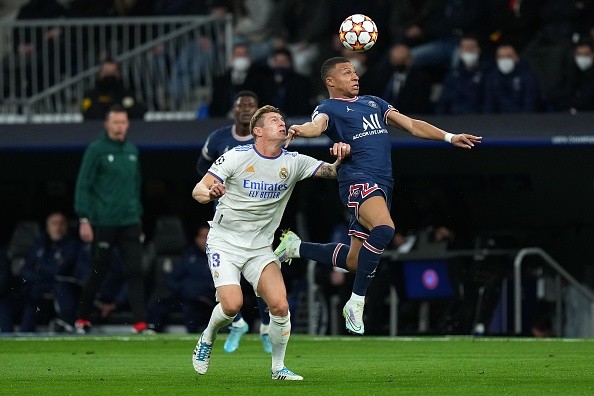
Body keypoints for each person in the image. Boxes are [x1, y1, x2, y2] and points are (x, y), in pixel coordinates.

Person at [274, 56, 481, 335]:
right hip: (357, 179)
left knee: (354, 261)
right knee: (385, 229)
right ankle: (356, 302)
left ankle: (295, 247)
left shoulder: (374, 102)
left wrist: (449, 137)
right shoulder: (328, 108)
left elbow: (411, 125)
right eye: (347, 73)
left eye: (355, 72)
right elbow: (317, 126)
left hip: (383, 183)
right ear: (330, 82)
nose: (355, 76)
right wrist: (299, 130)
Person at [191, 105, 350, 380]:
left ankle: (278, 368)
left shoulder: (294, 161)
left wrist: (341, 156)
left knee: (280, 305)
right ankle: (206, 339)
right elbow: (198, 190)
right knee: (231, 306)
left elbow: (331, 172)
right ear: (258, 130)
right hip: (225, 243)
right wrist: (210, 192)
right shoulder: (236, 157)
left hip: (260, 248)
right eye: (274, 120)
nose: (281, 123)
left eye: (282, 119)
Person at [197, 90, 273, 353]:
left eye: (251, 105)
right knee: (226, 283)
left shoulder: (267, 139)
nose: (245, 109)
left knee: (262, 281)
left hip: (259, 224)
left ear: (259, 112)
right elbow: (202, 170)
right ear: (234, 110)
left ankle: (265, 326)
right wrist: (215, 185)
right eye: (241, 105)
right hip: (227, 224)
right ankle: (237, 323)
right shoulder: (219, 139)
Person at [74, 104, 149, 334]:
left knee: (136, 270)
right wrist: (84, 218)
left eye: (123, 122)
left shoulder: (132, 151)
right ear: (107, 124)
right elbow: (83, 184)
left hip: (130, 221)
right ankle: (82, 319)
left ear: (128, 124)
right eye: (115, 122)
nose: (119, 127)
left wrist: (139, 220)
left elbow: (135, 188)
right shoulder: (96, 150)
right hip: (104, 221)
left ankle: (140, 324)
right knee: (98, 270)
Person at [19, 212, 80, 332]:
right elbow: (26, 270)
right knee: (31, 294)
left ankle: (67, 324)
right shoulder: (40, 244)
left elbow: (60, 269)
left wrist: (40, 270)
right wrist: (42, 273)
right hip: (41, 284)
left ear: (67, 226)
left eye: (61, 223)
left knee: (61, 288)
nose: (58, 227)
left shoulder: (72, 244)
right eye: (54, 224)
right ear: (48, 227)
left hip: (65, 286)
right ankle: (24, 331)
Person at [436, 34, 490, 115]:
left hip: (479, 119)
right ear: (460, 50)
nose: (468, 51)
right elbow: (444, 100)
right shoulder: (453, 74)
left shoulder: (487, 72)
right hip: (454, 118)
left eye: (471, 47)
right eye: (465, 48)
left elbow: (489, 100)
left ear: (478, 49)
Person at [80, 58, 147, 120]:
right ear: (99, 74)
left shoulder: (128, 94)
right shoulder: (91, 95)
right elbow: (85, 111)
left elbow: (139, 111)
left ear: (119, 74)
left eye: (113, 72)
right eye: (106, 72)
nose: (109, 75)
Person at [482, 43, 540, 113]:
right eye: (501, 57)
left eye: (509, 56)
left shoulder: (529, 78)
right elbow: (488, 106)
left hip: (522, 120)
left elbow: (530, 106)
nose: (504, 60)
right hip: (497, 122)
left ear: (516, 57)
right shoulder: (491, 78)